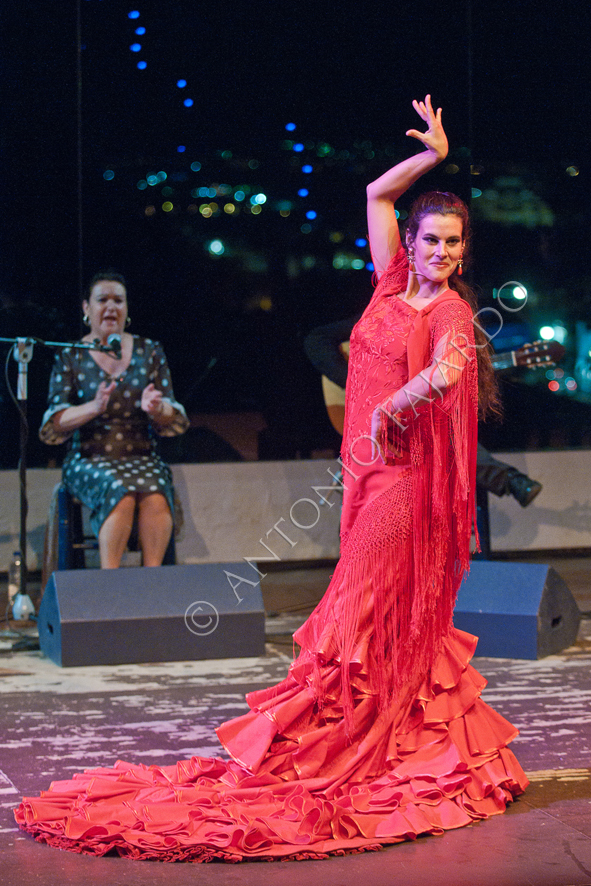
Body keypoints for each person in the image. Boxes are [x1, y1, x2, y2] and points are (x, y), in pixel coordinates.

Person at [15, 98, 527, 860]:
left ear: (462, 249)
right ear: (411, 245)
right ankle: (366, 732)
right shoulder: (389, 284)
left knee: (356, 611)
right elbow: (376, 196)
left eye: (454, 242)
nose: (442, 252)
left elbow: (453, 368)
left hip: (404, 481)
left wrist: (399, 396)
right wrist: (433, 156)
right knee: (365, 612)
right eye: (432, 239)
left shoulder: (452, 313)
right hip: (367, 474)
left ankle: (348, 743)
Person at [304, 315, 543, 507]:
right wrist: (355, 383)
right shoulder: (381, 317)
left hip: (411, 419)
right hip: (371, 421)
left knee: (445, 433)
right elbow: (316, 340)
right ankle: (510, 480)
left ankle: (508, 480)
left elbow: (440, 375)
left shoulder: (439, 322)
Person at [39, 271, 189, 568]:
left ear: (127, 308)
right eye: (102, 300)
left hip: (142, 456)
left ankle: (151, 584)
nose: (111, 307)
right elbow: (55, 421)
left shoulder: (150, 351)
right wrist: (93, 407)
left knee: (156, 492)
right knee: (120, 490)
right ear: (86, 308)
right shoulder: (71, 354)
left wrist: (157, 409)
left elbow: (174, 415)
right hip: (88, 458)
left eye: (118, 300)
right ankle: (112, 585)